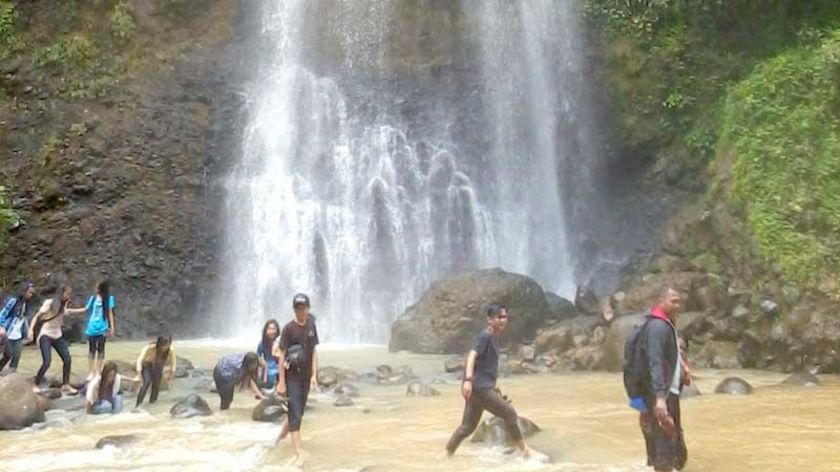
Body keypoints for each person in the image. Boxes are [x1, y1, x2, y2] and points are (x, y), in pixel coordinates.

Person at [445, 303, 533, 458]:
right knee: (510, 414)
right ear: (489, 320)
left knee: (466, 428)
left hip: (479, 389)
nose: (503, 320)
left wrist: (493, 390)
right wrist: (468, 380)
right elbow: (471, 356)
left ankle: (446, 456)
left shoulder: (493, 337)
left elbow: (486, 366)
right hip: (480, 388)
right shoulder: (485, 336)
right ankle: (524, 450)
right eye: (499, 317)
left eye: (504, 317)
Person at [638, 285, 689, 472]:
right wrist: (660, 399)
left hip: (666, 393)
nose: (678, 305)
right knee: (668, 453)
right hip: (661, 396)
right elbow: (655, 362)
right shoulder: (658, 328)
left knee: (672, 452)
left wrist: (683, 367)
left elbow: (671, 354)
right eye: (673, 301)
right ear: (661, 301)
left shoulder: (666, 323)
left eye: (679, 301)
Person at [275, 293, 319, 463]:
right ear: (294, 309)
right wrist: (281, 381)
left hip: (306, 376)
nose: (301, 311)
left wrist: (315, 374)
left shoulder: (311, 326)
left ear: (308, 308)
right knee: (295, 413)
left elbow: (314, 352)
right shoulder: (288, 329)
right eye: (298, 308)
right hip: (292, 376)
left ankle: (279, 439)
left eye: (303, 308)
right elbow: (282, 355)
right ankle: (298, 451)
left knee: (297, 412)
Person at [28, 284, 88, 393]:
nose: (69, 296)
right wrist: (31, 330)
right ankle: (35, 384)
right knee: (47, 362)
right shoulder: (49, 303)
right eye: (67, 294)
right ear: (61, 293)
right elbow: (36, 317)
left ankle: (65, 384)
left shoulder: (62, 304)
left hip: (57, 335)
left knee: (67, 359)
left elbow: (68, 311)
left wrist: (84, 309)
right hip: (45, 335)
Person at [0, 281, 35, 374]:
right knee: (8, 354)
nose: (31, 295)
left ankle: (12, 374)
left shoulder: (26, 304)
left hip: (17, 335)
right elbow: (2, 314)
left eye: (32, 293)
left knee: (17, 355)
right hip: (7, 333)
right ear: (23, 291)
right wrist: (2, 327)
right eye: (30, 292)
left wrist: (28, 332)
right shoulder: (13, 301)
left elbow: (24, 319)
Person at [84, 280, 116, 381]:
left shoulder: (109, 299)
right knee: (91, 350)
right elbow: (85, 309)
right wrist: (70, 310)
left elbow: (110, 313)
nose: (95, 288)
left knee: (101, 350)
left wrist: (112, 327)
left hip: (102, 328)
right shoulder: (93, 298)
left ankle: (98, 372)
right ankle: (91, 372)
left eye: (97, 287)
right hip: (91, 328)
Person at [134, 335, 176, 408]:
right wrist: (139, 373)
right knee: (146, 382)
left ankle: (152, 405)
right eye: (163, 346)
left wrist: (171, 373)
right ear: (158, 344)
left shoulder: (170, 350)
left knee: (156, 385)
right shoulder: (149, 348)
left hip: (158, 365)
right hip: (147, 365)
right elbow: (140, 360)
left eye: (167, 345)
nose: (164, 348)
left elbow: (173, 362)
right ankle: (137, 405)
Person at [257, 319, 281, 389]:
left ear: (277, 330)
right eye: (269, 329)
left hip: (279, 365)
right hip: (267, 366)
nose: (272, 331)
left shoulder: (280, 342)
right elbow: (257, 357)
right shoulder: (262, 343)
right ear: (266, 331)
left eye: (273, 329)